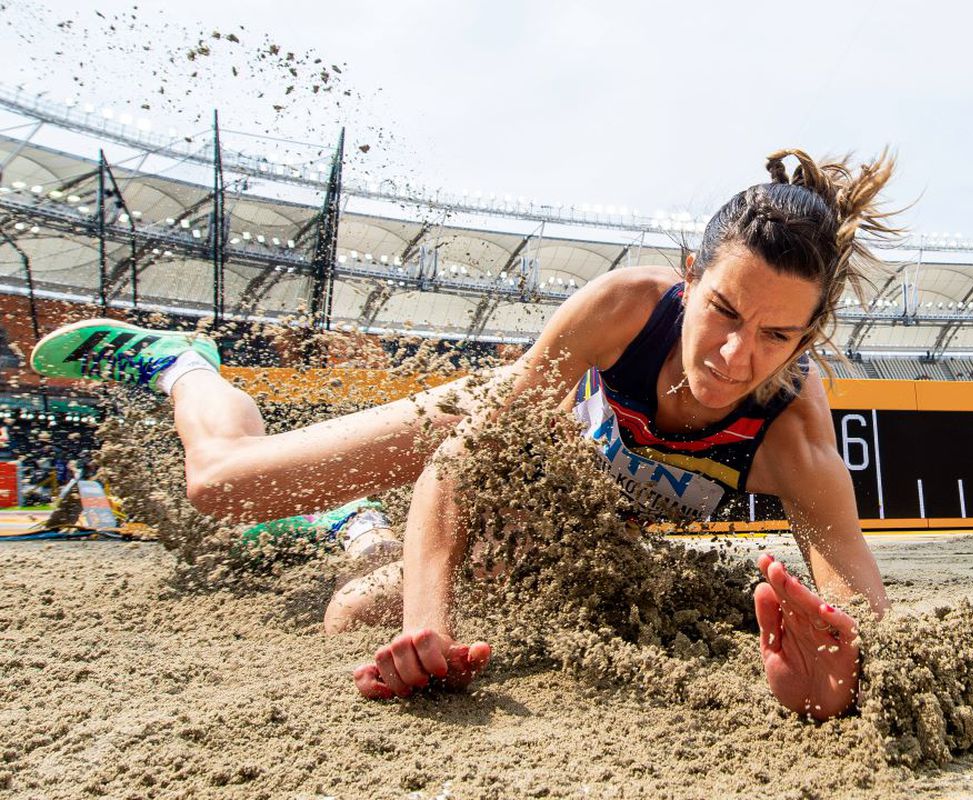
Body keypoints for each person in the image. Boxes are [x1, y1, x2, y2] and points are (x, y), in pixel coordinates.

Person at [30, 148, 896, 720]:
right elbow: (465, 459)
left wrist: (831, 681)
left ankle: (356, 527)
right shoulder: (623, 311)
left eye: (778, 336)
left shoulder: (794, 436)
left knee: (350, 614)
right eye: (723, 311)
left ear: (808, 338)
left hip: (550, 522)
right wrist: (430, 624)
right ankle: (184, 365)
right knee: (218, 486)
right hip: (493, 433)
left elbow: (857, 608)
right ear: (688, 278)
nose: (738, 354)